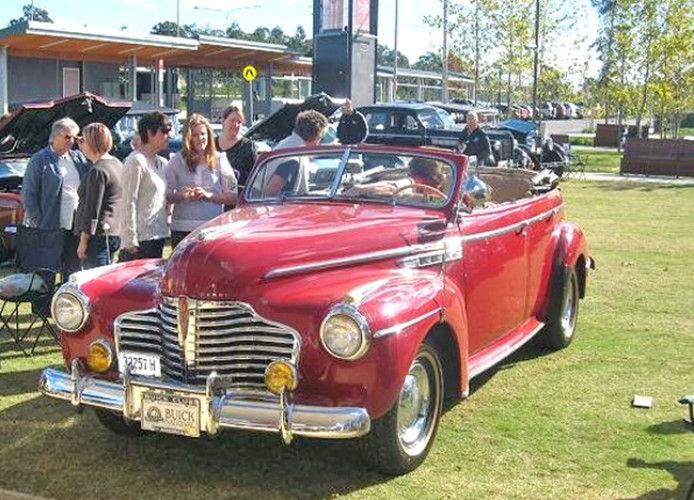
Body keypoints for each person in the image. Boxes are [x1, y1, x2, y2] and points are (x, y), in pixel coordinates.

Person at [21, 117, 91, 278]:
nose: (71, 141)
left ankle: (67, 303)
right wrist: (39, 221)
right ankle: (44, 304)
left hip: (74, 227)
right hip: (49, 228)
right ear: (54, 137)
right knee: (45, 275)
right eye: (68, 137)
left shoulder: (78, 158)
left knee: (72, 273)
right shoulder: (39, 160)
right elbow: (28, 195)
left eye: (75, 137)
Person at [165, 114, 237, 248]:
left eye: (203, 134)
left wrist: (209, 195)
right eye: (195, 135)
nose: (200, 139)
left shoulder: (220, 160)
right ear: (188, 138)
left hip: (211, 227)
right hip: (182, 229)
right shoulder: (176, 161)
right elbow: (166, 195)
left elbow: (233, 197)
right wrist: (180, 195)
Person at [118, 111, 172, 262]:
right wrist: (130, 239)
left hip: (158, 235)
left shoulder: (162, 162)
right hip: (139, 240)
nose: (169, 136)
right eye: (164, 131)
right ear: (150, 133)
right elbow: (128, 201)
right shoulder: (136, 161)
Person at [73, 123, 122, 269]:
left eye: (83, 141)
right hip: (114, 231)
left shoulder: (98, 171)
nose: (80, 144)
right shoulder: (117, 163)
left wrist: (84, 241)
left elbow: (92, 210)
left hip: (98, 237)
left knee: (96, 279)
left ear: (92, 143)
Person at [263, 110, 328, 196]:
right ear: (316, 137)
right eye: (321, 138)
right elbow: (271, 192)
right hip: (279, 207)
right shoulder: (294, 157)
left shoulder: (286, 144)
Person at [216, 105, 257, 186]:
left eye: (239, 122)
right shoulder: (212, 144)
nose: (236, 124)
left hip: (239, 194)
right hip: (214, 194)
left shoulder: (247, 146)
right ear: (223, 121)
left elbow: (255, 176)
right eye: (232, 120)